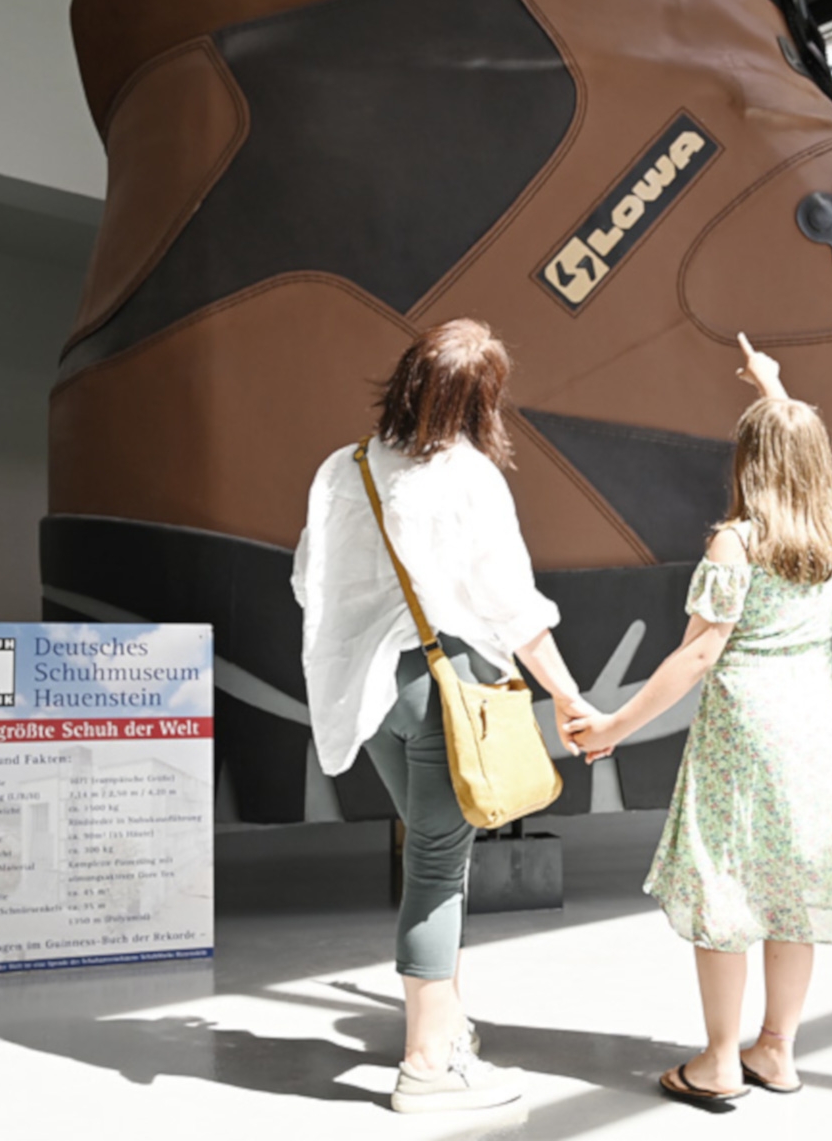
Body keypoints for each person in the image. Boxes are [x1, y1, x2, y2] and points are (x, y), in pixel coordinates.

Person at [290, 318, 598, 1115]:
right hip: (443, 692)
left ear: (407, 378)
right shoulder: (468, 477)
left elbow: (307, 582)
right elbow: (514, 609)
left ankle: (447, 1029)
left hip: (371, 696)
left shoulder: (345, 467)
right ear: (481, 400)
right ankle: (427, 1064)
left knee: (436, 857)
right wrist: (568, 696)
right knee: (436, 869)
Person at [565, 333, 832, 1109]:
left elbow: (697, 655)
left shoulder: (737, 543)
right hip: (811, 723)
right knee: (791, 883)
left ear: (747, 462)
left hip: (745, 726)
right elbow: (797, 448)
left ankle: (721, 1060)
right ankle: (776, 1050)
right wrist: (772, 386)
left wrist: (614, 725)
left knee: (726, 881)